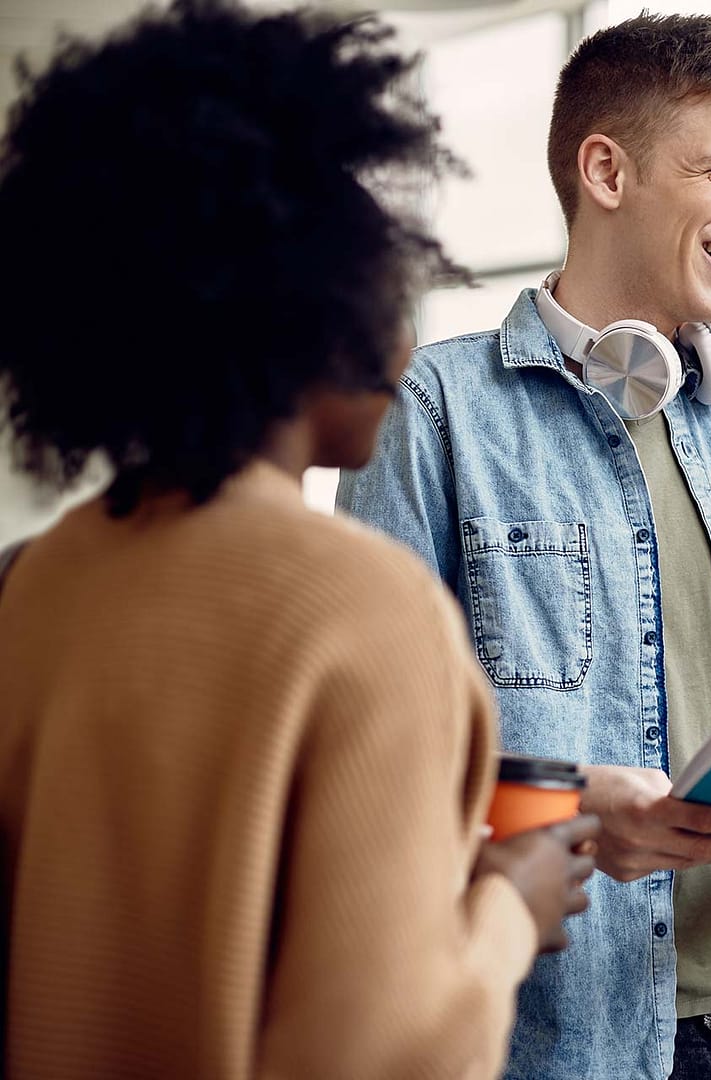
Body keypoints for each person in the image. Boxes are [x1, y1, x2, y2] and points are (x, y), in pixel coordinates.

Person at [0, 3, 598, 1077]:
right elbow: (371, 1054)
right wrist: (509, 909)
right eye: (388, 283)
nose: (408, 336)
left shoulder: (41, 583)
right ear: (302, 306)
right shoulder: (366, 609)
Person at [337, 13, 711, 1080]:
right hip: (546, 1041)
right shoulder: (436, 411)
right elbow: (383, 747)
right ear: (607, 170)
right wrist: (572, 810)